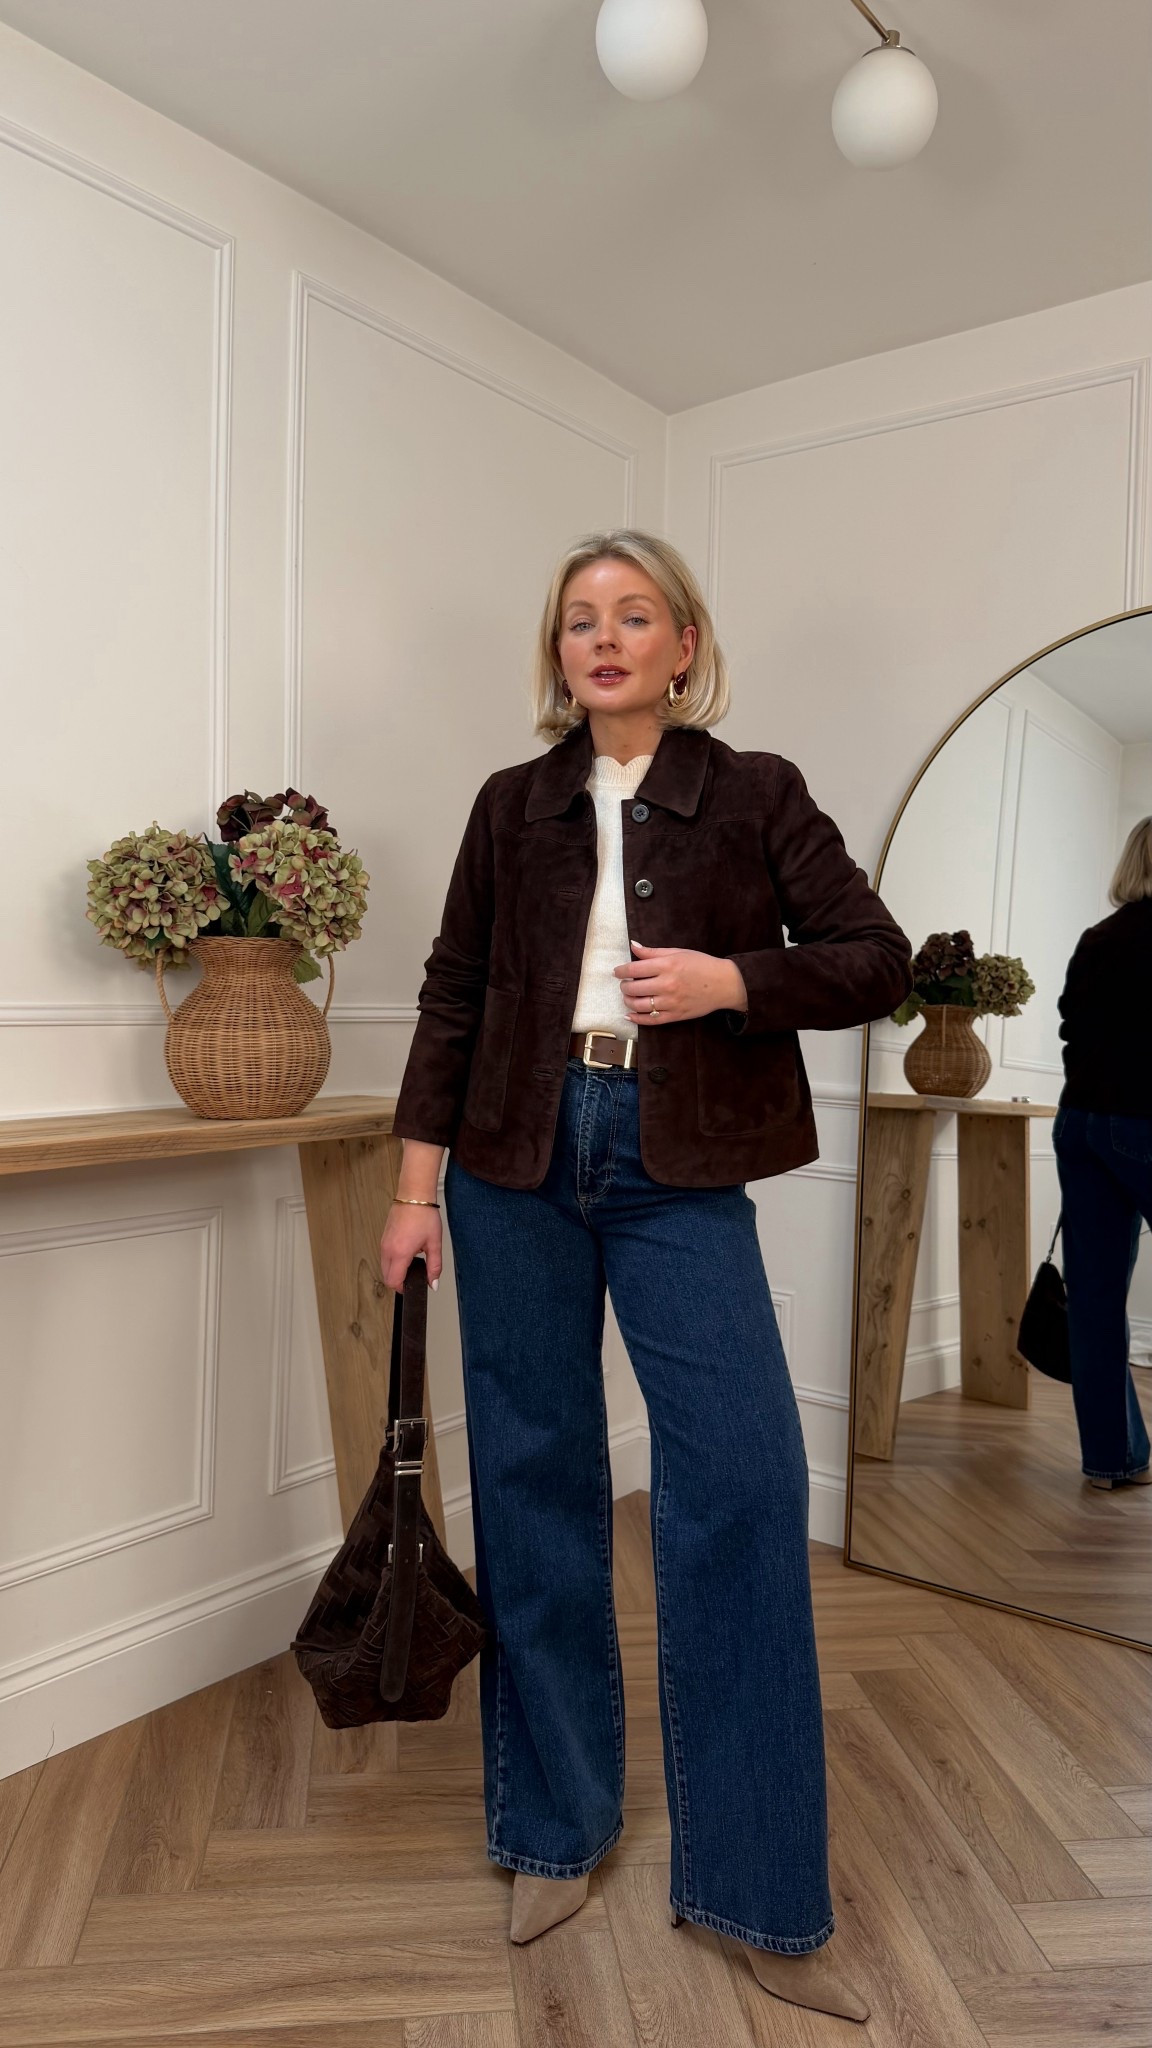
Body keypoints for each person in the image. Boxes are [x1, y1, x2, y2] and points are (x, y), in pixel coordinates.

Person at [380, 528, 912, 2023]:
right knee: (539, 1482)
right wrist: (416, 1194)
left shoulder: (756, 793)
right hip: (509, 1160)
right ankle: (553, 1825)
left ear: (685, 642)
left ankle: (753, 1879)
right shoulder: (512, 804)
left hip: (677, 1156)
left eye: (633, 616)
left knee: (738, 1488)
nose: (603, 640)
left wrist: (737, 981)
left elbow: (872, 957)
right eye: (577, 623)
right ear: (557, 656)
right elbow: (453, 994)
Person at [1052, 814, 1152, 1489]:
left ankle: (1111, 1460)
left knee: (1092, 1298)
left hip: (1081, 1124)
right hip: (1146, 1123)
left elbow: (1070, 1024)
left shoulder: (1098, 938)